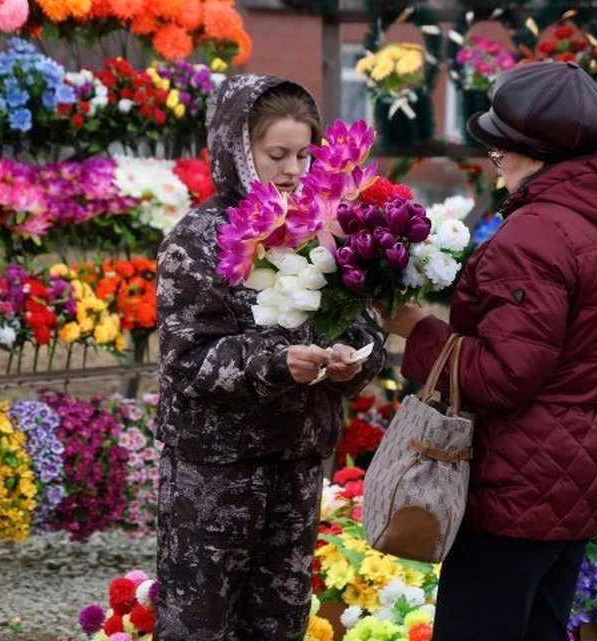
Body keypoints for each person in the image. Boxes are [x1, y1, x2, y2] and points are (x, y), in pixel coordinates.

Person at [383, 61, 597, 641]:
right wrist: (577, 408)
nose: (497, 165)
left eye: (497, 152)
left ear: (530, 152)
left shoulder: (534, 234)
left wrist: (416, 330)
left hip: (510, 489)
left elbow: (504, 376)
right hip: (578, 484)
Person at [154, 74, 385, 641]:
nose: (291, 169)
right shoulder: (200, 238)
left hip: (298, 464)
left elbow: (365, 327)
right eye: (275, 154)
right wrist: (278, 363)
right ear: (238, 150)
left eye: (305, 155)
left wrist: (355, 357)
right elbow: (188, 361)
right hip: (215, 472)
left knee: (280, 624)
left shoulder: (321, 227)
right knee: (201, 625)